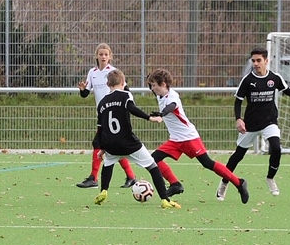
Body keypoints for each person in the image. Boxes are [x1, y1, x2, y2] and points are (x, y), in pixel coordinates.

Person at [216, 47, 290, 200]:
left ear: (266, 61)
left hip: (269, 122)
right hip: (250, 124)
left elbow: (288, 91)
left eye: (259, 60)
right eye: (253, 61)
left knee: (276, 148)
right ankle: (224, 183)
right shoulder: (248, 80)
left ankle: (270, 178)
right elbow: (238, 101)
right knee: (237, 156)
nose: (256, 63)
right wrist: (238, 119)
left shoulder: (274, 78)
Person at [147, 68, 249, 204]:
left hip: (189, 137)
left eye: (154, 85)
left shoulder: (172, 96)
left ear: (164, 84)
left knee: (207, 163)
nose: (152, 88)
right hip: (175, 139)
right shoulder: (159, 94)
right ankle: (175, 184)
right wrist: (151, 79)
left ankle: (239, 183)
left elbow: (171, 106)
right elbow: (154, 85)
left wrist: (161, 114)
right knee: (154, 158)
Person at [93, 70, 181, 209]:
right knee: (153, 166)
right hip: (128, 142)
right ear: (123, 82)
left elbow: (101, 128)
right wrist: (149, 117)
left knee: (108, 164)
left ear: (107, 84)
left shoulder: (102, 102)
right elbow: (132, 108)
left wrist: (102, 148)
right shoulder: (125, 95)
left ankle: (104, 191)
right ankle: (165, 199)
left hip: (110, 144)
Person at [76, 43, 136, 189]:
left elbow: (126, 91)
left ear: (110, 57)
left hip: (113, 114)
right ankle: (131, 177)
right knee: (112, 146)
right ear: (96, 56)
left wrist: (127, 107)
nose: (103, 57)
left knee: (98, 143)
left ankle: (93, 178)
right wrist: (82, 90)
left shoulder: (114, 72)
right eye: (101, 54)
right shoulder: (92, 72)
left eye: (106, 54)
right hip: (102, 114)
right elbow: (85, 94)